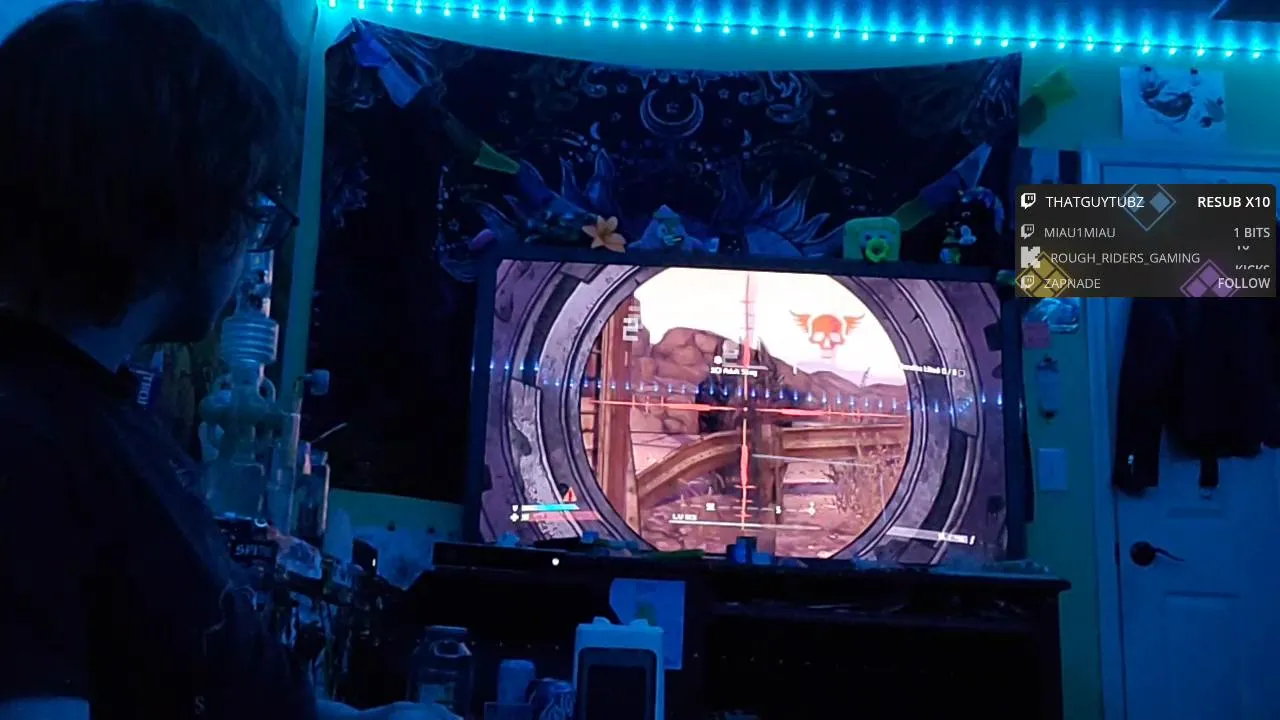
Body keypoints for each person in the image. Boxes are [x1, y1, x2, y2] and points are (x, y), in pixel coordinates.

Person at [0, 3, 453, 719]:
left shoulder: (98, 415)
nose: (254, 240)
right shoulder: (24, 442)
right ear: (184, 206)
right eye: (253, 204)